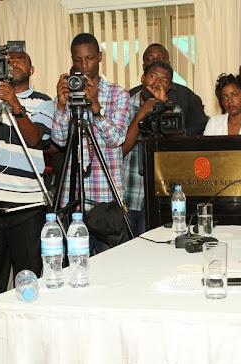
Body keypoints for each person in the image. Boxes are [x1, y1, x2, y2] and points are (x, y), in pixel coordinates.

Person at [0, 49, 55, 349]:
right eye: (9, 60)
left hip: (27, 207)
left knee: (28, 279)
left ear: (32, 69)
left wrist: (15, 105)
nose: (15, 64)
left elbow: (36, 139)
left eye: (21, 61)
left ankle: (30, 340)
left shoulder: (43, 101)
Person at [53, 32, 130, 254]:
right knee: (76, 263)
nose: (84, 66)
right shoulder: (67, 94)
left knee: (112, 265)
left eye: (89, 58)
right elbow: (59, 140)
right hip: (74, 198)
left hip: (106, 199)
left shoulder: (117, 94)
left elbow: (116, 139)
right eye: (77, 60)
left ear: (100, 57)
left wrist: (96, 107)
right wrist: (61, 106)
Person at [122, 60, 177, 236]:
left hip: (158, 199)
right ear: (142, 78)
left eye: (164, 81)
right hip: (128, 195)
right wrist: (142, 113)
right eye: (153, 77)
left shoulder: (173, 110)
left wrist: (165, 106)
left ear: (169, 87)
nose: (156, 83)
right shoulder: (124, 105)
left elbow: (177, 146)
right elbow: (121, 150)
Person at [129, 43, 208, 135]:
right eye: (150, 58)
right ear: (143, 70)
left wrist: (166, 106)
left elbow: (197, 130)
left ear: (169, 63)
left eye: (160, 58)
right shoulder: (128, 98)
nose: (155, 61)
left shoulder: (186, 96)